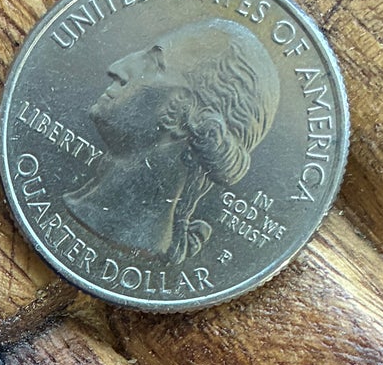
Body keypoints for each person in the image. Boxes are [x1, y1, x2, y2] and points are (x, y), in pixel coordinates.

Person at [67, 18, 280, 262]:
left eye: (154, 64)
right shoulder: (88, 208)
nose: (117, 66)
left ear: (182, 115)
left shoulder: (123, 232)